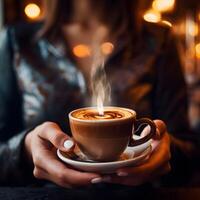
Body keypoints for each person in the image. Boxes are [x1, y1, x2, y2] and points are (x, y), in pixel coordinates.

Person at [0, 0, 198, 188]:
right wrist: (24, 150)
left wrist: (167, 150)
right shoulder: (17, 40)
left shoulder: (158, 40)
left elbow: (190, 151)